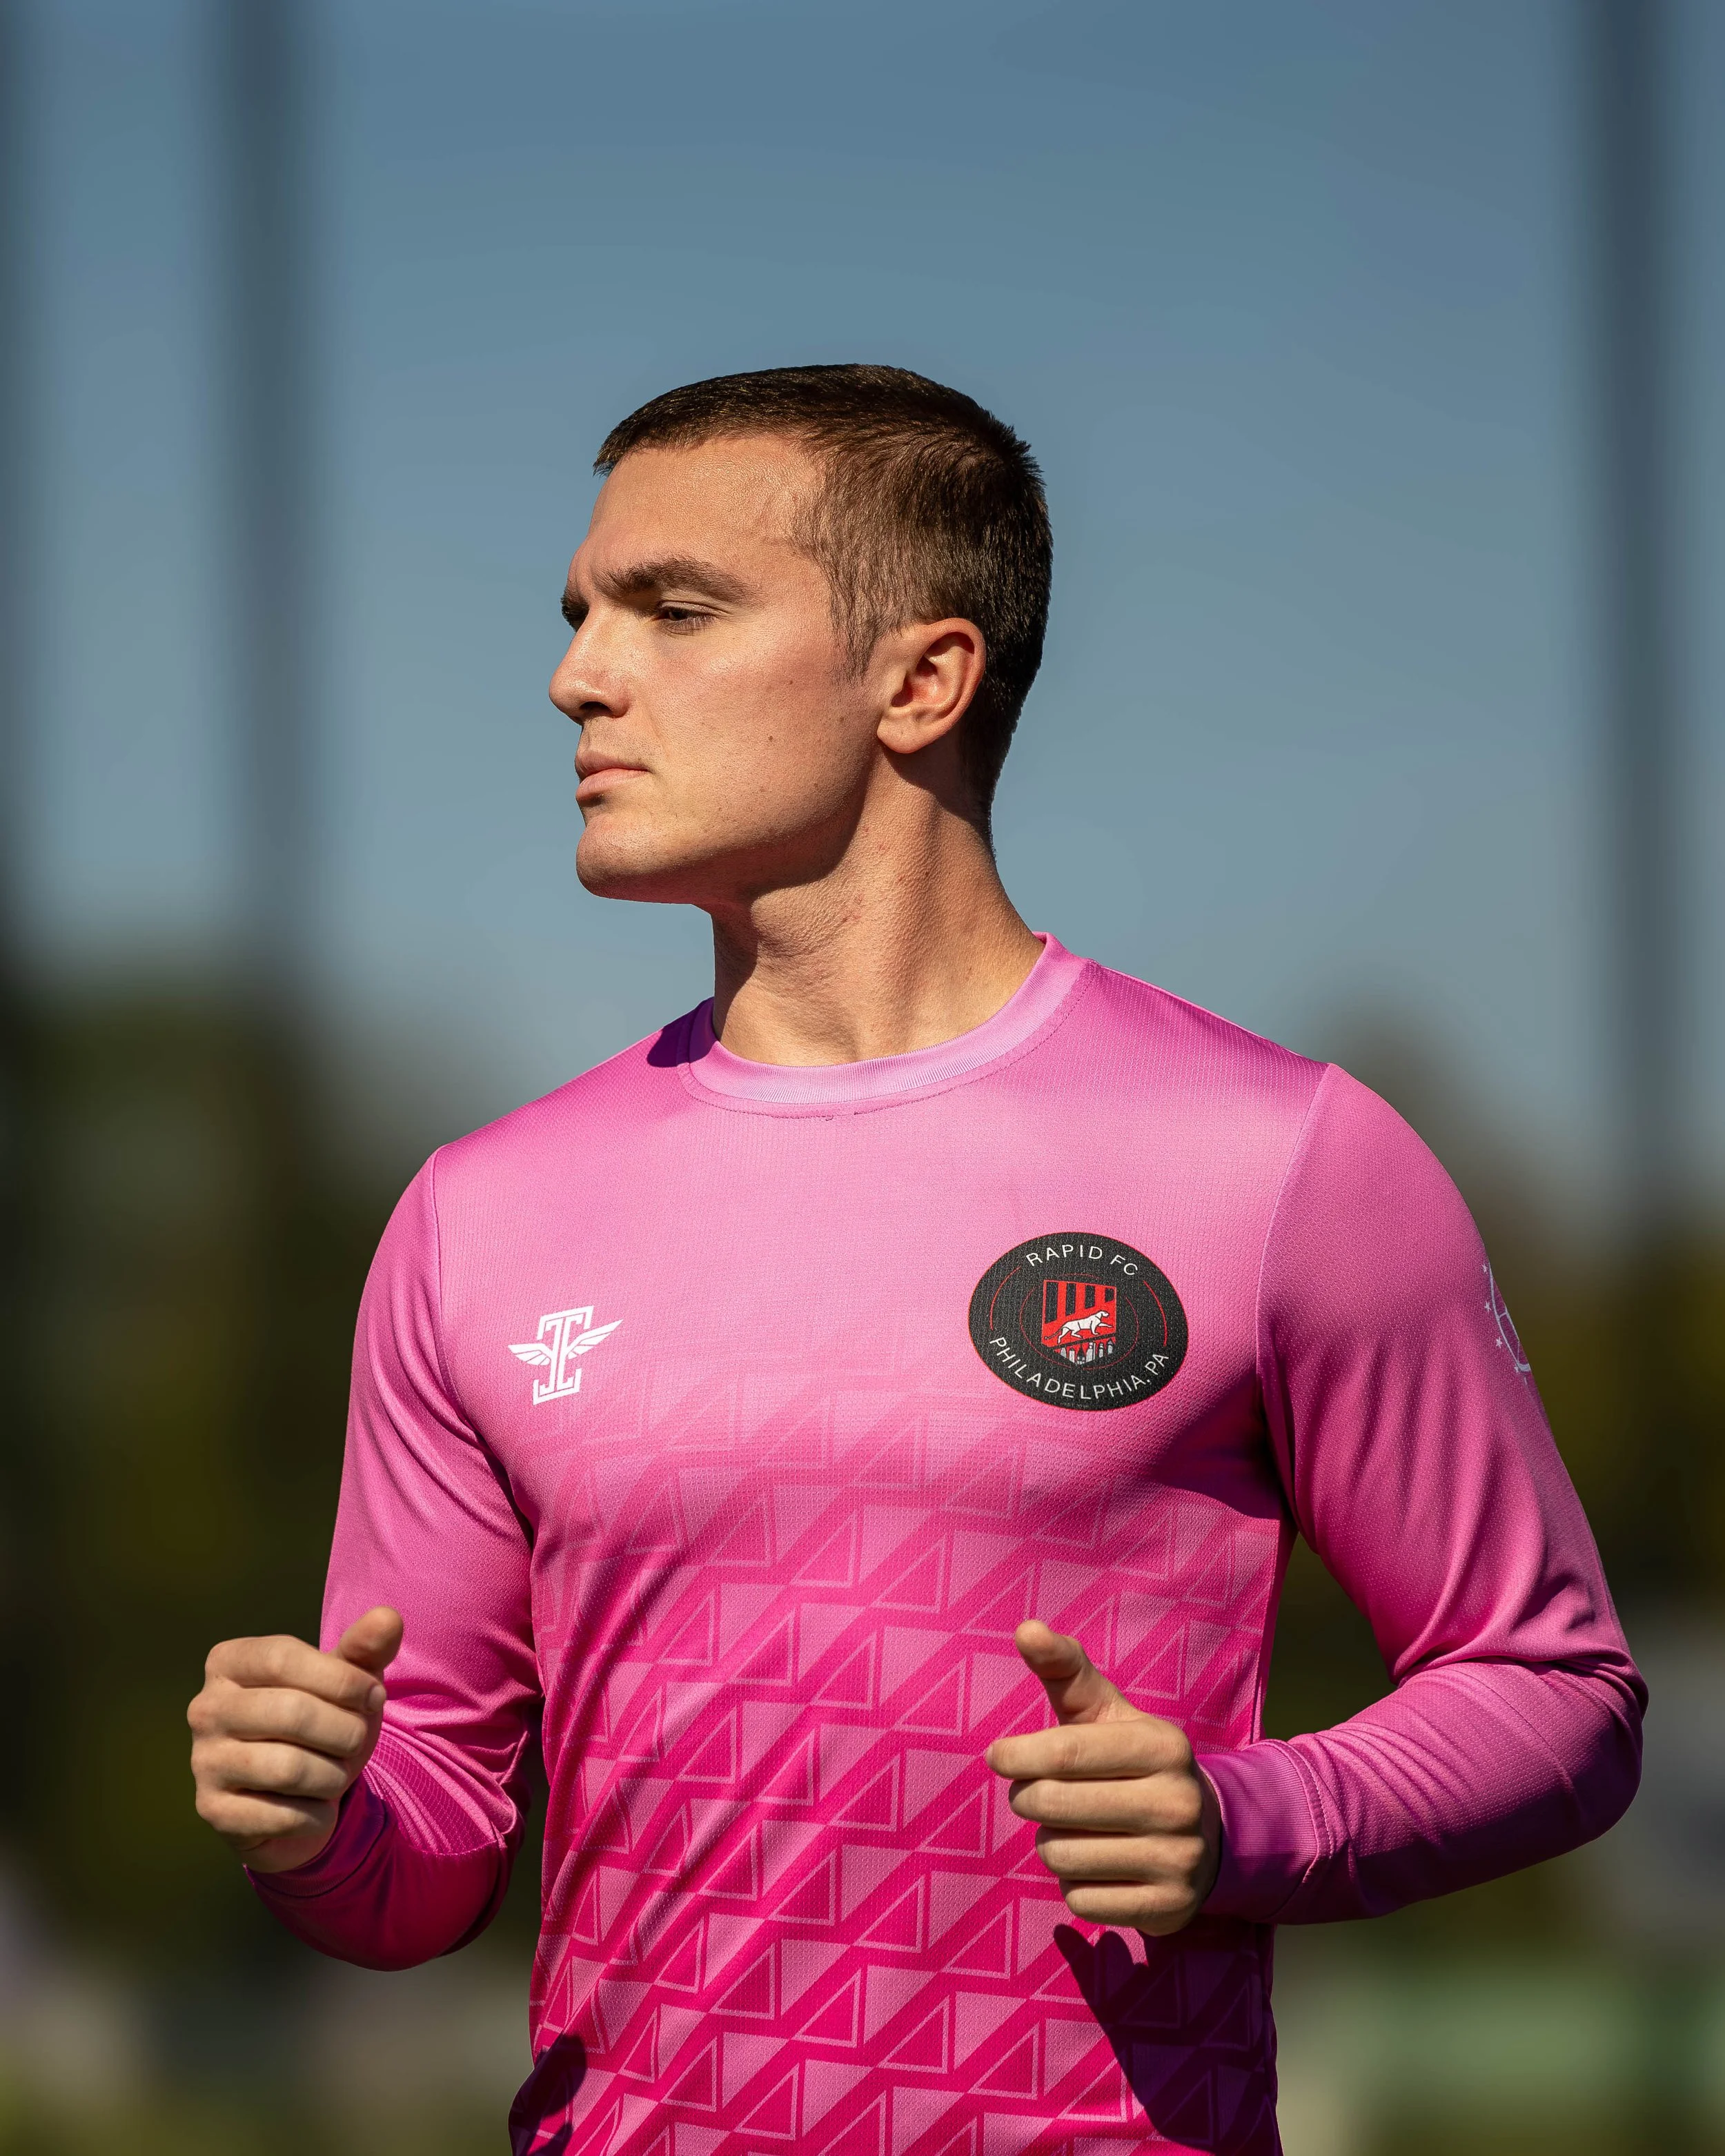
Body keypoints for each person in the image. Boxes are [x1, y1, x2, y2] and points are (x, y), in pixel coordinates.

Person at [187, 365, 1643, 2156]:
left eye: (671, 606)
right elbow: (418, 1872)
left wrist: (1249, 1820)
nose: (578, 674)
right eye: (578, 616)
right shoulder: (476, 1216)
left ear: (920, 677)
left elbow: (1551, 1692)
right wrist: (313, 1815)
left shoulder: (1279, 1156)